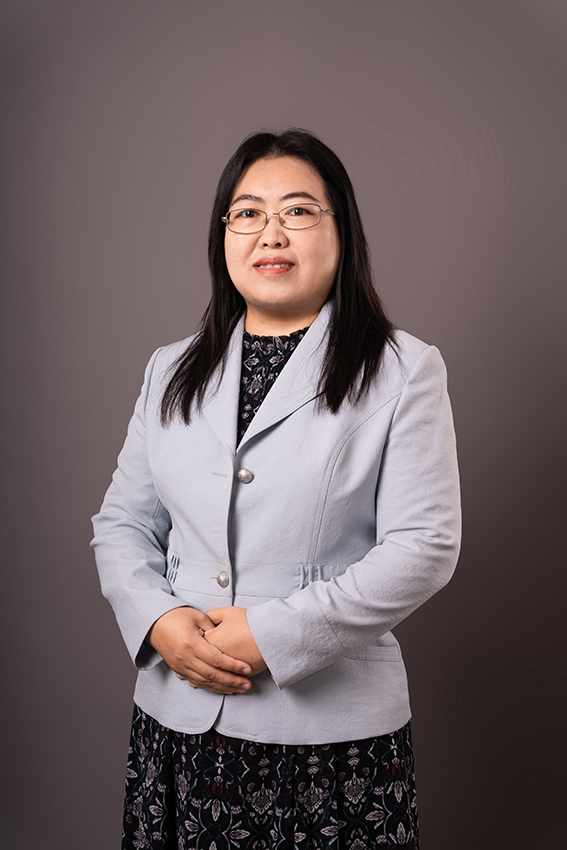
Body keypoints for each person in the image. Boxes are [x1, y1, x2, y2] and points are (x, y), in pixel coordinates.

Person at [91, 128, 461, 850]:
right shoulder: (170, 369)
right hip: (178, 718)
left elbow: (424, 547)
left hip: (330, 741)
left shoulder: (403, 369)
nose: (271, 233)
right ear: (222, 234)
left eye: (297, 210)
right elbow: (122, 524)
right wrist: (158, 622)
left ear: (341, 230)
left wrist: (270, 636)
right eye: (247, 212)